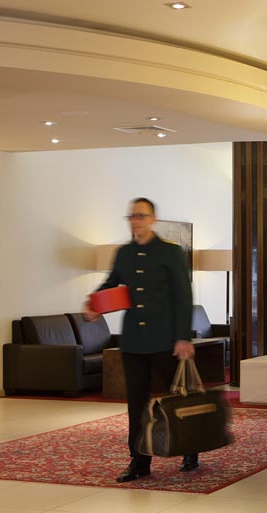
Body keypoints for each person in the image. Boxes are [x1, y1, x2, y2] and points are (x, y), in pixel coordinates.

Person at [83, 197, 197, 483]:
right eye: (132, 216)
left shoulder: (170, 252)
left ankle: (190, 448)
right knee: (136, 403)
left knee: (177, 398)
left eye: (141, 216)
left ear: (153, 219)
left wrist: (183, 337)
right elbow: (111, 283)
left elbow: (183, 298)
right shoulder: (124, 253)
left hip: (166, 340)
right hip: (134, 341)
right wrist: (94, 304)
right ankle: (139, 460)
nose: (136, 221)